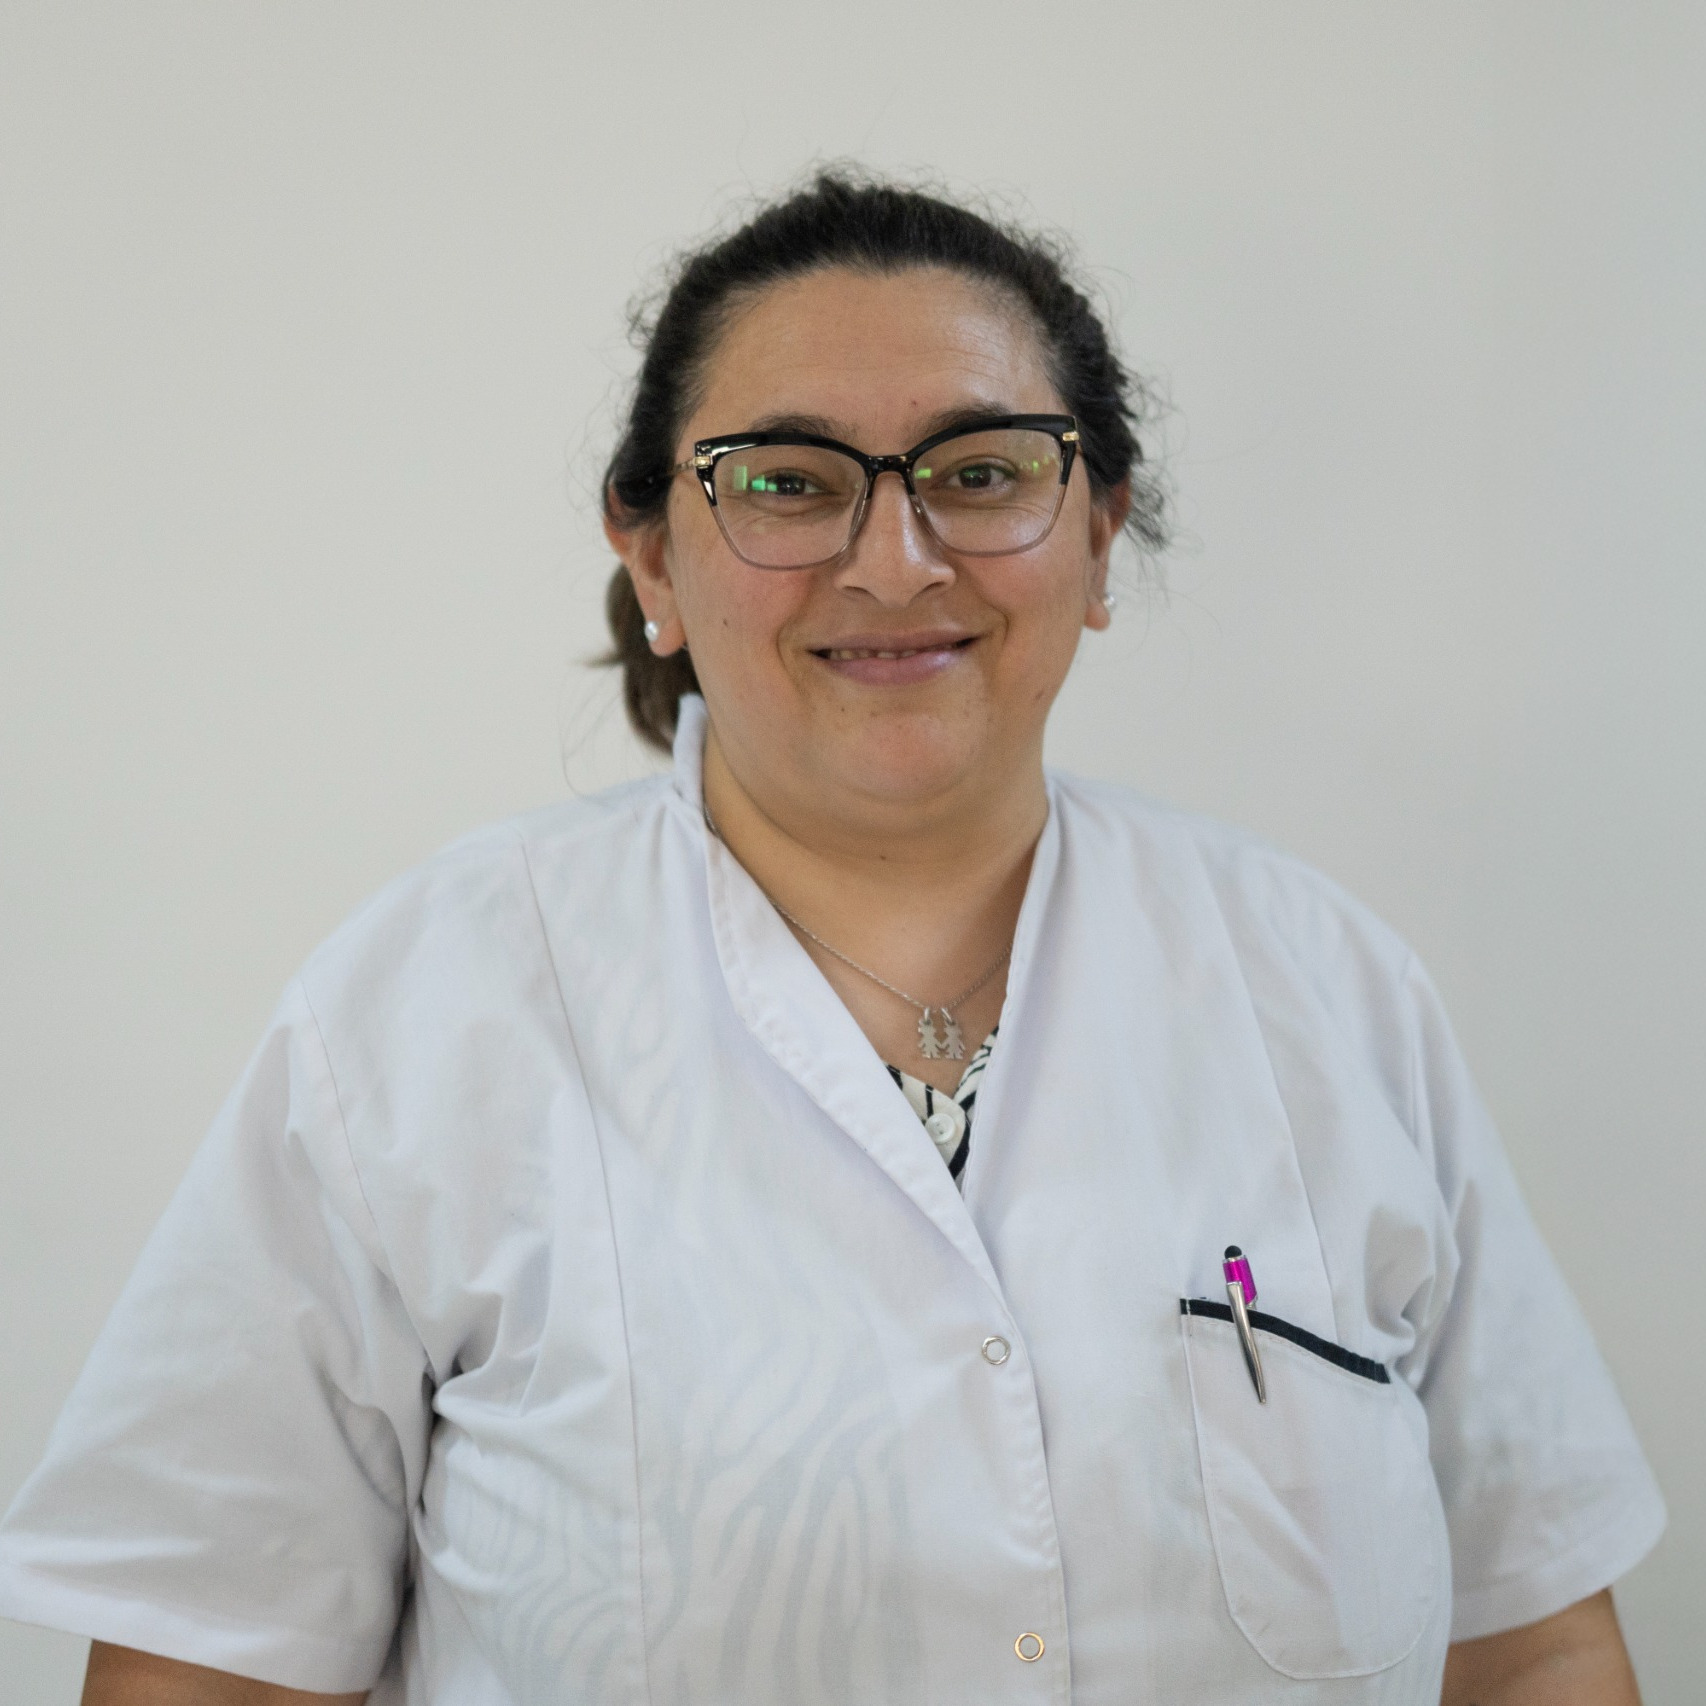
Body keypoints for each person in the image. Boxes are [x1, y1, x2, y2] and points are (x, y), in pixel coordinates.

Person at [0, 173, 1664, 1706]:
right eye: (786, 483)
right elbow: (202, 1670)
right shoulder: (421, 1016)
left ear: (1097, 538)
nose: (893, 558)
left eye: (981, 471)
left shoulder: (1325, 989)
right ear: (652, 556)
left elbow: (1532, 1643)